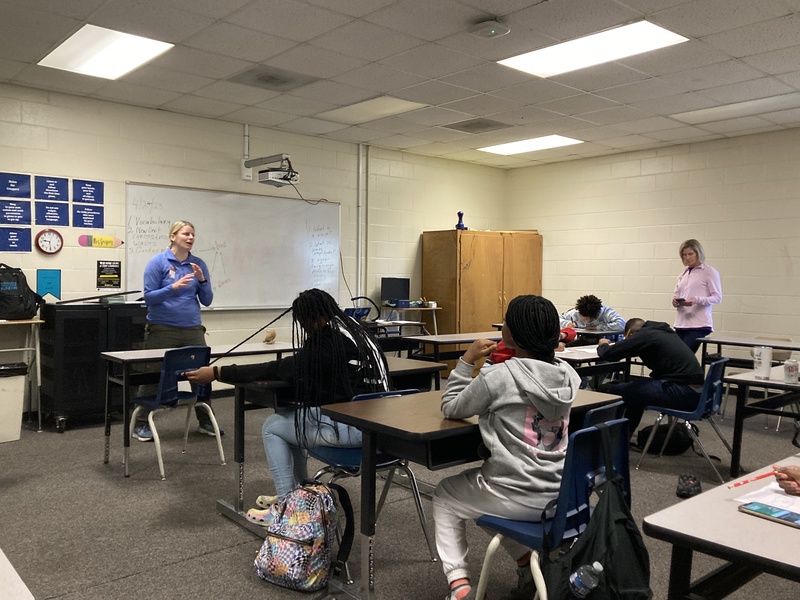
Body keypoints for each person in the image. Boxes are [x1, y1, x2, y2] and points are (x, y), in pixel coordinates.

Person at [184, 288, 390, 525]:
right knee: (288, 417)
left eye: (304, 324)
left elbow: (280, 368)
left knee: (273, 426)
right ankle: (300, 498)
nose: (304, 330)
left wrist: (218, 372)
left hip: (359, 430)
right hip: (382, 426)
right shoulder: (355, 328)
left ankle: (287, 510)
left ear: (312, 320)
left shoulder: (327, 343)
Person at [432, 295, 581, 600]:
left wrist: (465, 362)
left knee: (446, 496)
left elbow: (451, 407)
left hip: (515, 492)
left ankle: (459, 586)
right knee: (475, 498)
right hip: (561, 496)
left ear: (509, 333)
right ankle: (527, 562)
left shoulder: (499, 376)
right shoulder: (568, 374)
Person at [133, 220, 216, 442]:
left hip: (192, 329)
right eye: (186, 234)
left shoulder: (198, 264)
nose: (190, 238)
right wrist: (173, 288)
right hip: (162, 329)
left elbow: (207, 300)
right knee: (154, 374)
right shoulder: (157, 262)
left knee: (201, 375)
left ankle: (206, 421)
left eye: (193, 235)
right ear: (173, 236)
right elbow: (149, 297)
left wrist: (202, 280)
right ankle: (141, 423)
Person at [596, 318, 704, 434]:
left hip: (681, 392)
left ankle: (603, 437)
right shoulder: (663, 332)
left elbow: (609, 354)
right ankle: (622, 438)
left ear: (631, 333)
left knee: (608, 389)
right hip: (696, 392)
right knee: (634, 393)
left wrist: (602, 345)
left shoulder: (645, 335)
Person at [672, 239, 722, 353]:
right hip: (681, 323)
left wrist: (696, 300)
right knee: (675, 356)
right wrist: (676, 301)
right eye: (684, 255)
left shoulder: (709, 271)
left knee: (684, 356)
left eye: (690, 254)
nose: (687, 257)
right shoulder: (682, 274)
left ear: (698, 253)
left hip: (698, 325)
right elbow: (677, 293)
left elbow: (717, 298)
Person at [559, 294, 625, 345]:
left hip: (606, 341)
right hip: (585, 340)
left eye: (587, 319)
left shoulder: (607, 312)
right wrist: (566, 323)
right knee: (568, 347)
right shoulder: (575, 312)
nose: (583, 320)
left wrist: (597, 327)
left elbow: (622, 324)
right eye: (582, 317)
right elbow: (558, 319)